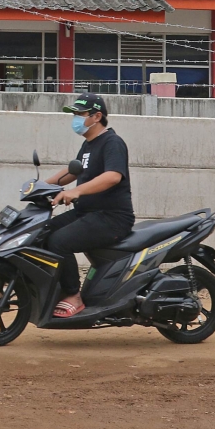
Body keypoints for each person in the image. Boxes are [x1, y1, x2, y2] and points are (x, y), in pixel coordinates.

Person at [45, 92, 135, 318]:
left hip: (111, 217)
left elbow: (113, 176)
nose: (75, 118)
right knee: (43, 232)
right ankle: (53, 289)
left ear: (96, 117)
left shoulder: (112, 142)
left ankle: (73, 296)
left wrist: (75, 191)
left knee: (59, 242)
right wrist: (39, 186)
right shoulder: (89, 144)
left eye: (79, 114)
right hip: (86, 212)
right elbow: (72, 172)